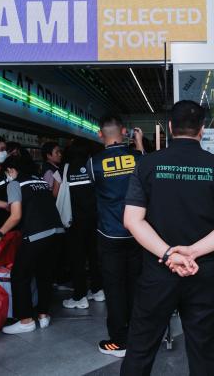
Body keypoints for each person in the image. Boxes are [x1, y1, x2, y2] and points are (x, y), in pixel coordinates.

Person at [120, 101, 214, 375]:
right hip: (202, 271)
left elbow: (132, 220)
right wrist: (192, 252)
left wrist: (169, 254)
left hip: (158, 271)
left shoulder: (147, 164)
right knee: (203, 349)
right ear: (202, 130)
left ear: (169, 128)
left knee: (140, 347)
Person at [88, 116, 144, 356]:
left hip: (109, 233)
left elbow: (94, 190)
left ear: (100, 134)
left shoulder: (93, 163)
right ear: (124, 131)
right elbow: (145, 176)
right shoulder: (139, 158)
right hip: (138, 233)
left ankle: (119, 341)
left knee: (114, 288)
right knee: (136, 284)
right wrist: (138, 143)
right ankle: (139, 335)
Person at [0, 154, 65, 334]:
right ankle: (43, 315)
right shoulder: (40, 181)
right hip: (57, 232)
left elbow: (16, 216)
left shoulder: (15, 184)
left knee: (19, 275)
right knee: (44, 274)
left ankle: (25, 320)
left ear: (11, 170)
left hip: (36, 234)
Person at [62, 143, 104, 309]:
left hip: (74, 221)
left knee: (77, 259)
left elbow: (58, 193)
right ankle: (97, 290)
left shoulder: (66, 169)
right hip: (94, 219)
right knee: (94, 256)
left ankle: (80, 296)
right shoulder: (92, 167)